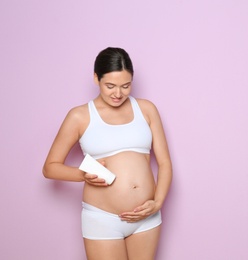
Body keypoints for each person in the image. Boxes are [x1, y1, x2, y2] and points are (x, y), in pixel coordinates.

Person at [43, 47, 172, 260]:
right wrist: (82, 175)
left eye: (126, 86)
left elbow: (165, 163)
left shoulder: (146, 109)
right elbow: (50, 167)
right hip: (103, 218)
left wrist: (157, 203)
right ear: (96, 78)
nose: (118, 94)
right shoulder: (79, 116)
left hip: (146, 216)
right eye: (110, 86)